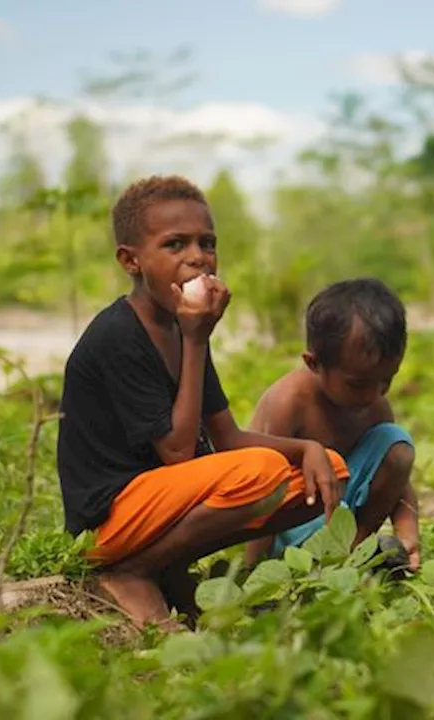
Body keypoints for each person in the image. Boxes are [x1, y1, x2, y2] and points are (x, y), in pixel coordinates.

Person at [55, 175, 350, 628]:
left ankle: (167, 565)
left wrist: (308, 449)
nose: (197, 257)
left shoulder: (181, 326)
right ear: (130, 260)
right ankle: (132, 571)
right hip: (109, 518)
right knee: (261, 473)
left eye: (206, 243)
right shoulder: (120, 335)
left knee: (328, 469)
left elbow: (226, 436)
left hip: (160, 502)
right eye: (175, 245)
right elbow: (176, 453)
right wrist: (195, 341)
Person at [242, 278, 420, 572]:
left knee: (396, 444)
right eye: (358, 384)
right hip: (291, 522)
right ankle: (321, 561)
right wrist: (254, 571)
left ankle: (354, 553)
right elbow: (262, 492)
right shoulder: (289, 403)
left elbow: (400, 482)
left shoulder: (375, 404)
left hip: (342, 515)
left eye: (386, 380)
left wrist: (407, 530)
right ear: (314, 364)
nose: (374, 394)